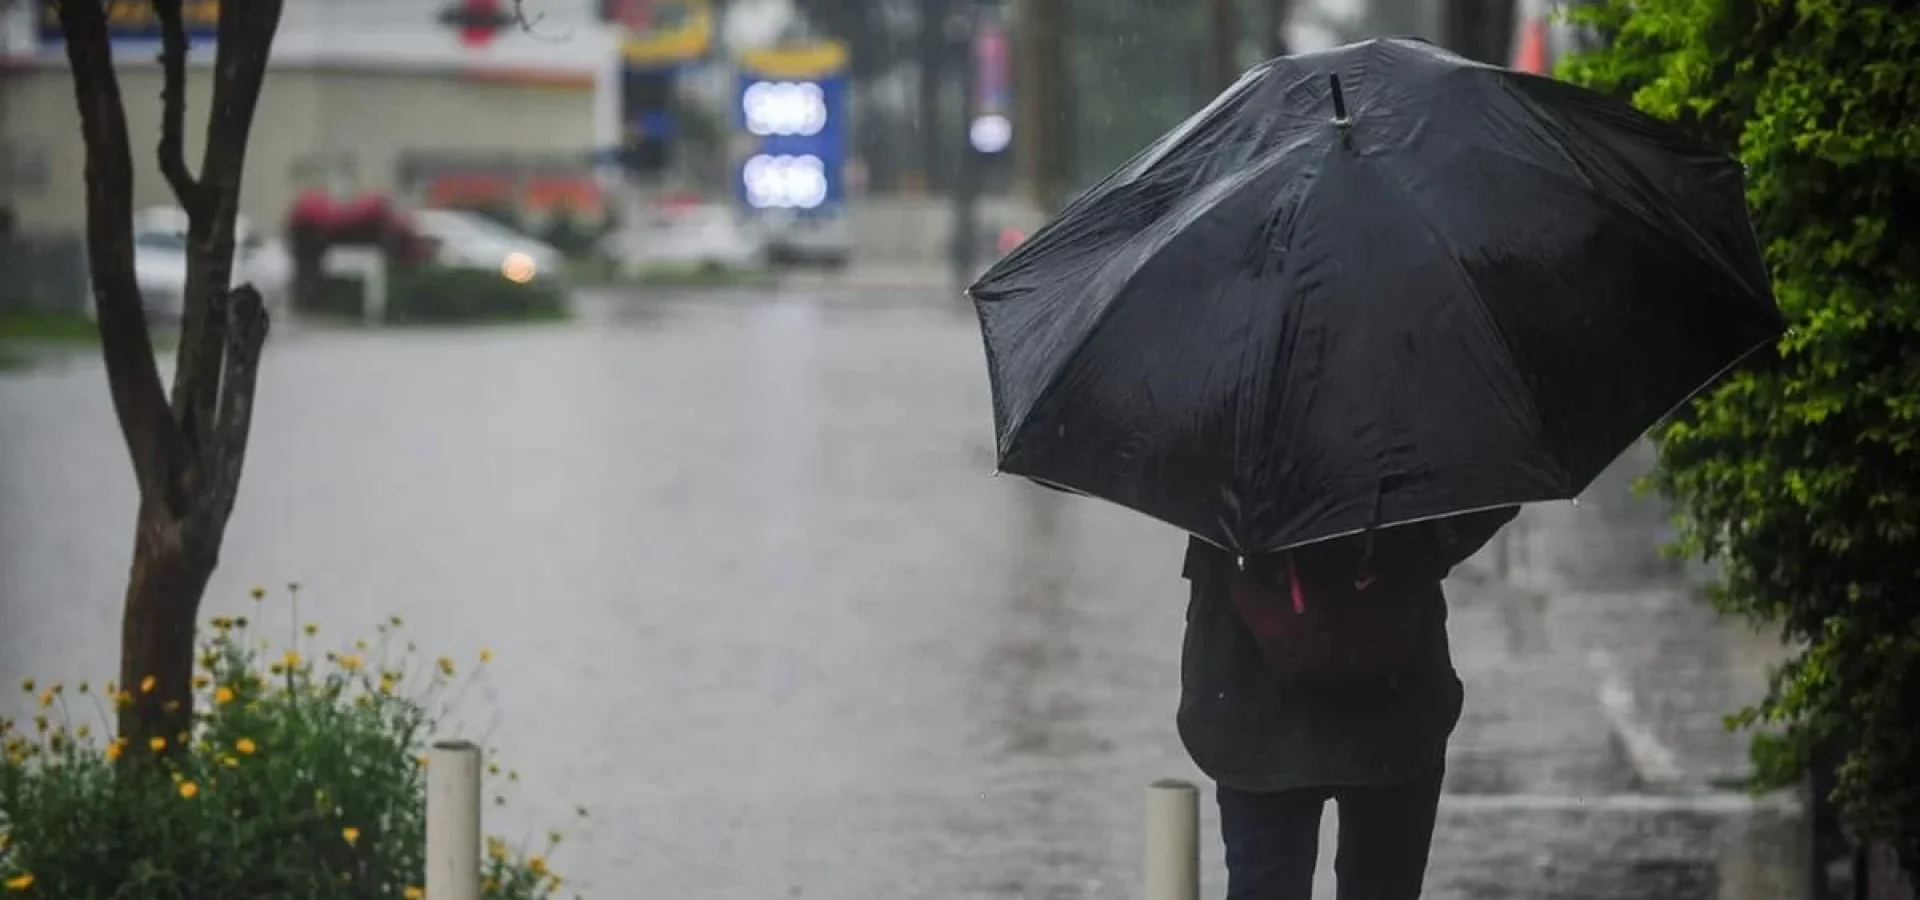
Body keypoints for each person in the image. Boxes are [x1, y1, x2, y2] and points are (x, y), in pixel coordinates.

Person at [1178, 506, 1519, 900]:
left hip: (1255, 694)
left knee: (1268, 881)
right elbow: (1483, 493)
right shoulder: (1412, 445)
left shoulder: (1230, 449)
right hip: (1390, 688)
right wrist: (1428, 542)